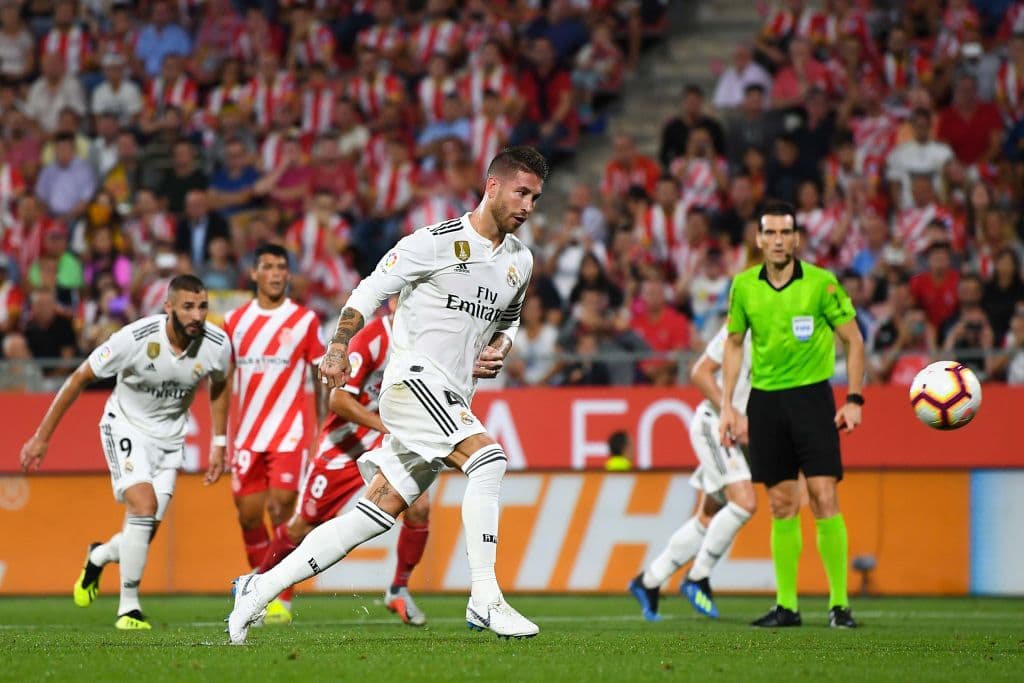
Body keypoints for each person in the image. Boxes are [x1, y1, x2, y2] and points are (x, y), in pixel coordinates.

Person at [227, 146, 548, 644]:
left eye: (535, 197)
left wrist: (501, 347)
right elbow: (369, 290)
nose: (528, 206)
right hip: (412, 383)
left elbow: (510, 321)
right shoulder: (435, 243)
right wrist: (338, 347)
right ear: (493, 187)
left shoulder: (519, 263)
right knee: (489, 461)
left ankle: (259, 587)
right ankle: (485, 598)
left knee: (370, 517)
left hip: (452, 394)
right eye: (521, 192)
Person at [18, 275, 231, 630]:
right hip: (125, 427)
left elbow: (222, 384)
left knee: (142, 533)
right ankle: (128, 607)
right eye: (188, 307)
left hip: (170, 441)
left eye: (203, 306)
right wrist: (41, 437)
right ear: (169, 308)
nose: (197, 315)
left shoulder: (216, 344)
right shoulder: (135, 339)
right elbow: (79, 378)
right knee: (143, 507)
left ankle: (99, 555)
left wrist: (219, 442)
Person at [719, 202, 864, 629]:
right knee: (782, 505)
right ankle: (787, 606)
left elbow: (854, 340)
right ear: (760, 239)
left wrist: (855, 399)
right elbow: (733, 343)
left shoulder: (822, 283)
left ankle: (840, 605)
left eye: (786, 233)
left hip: (811, 400)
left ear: (796, 238)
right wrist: (728, 404)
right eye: (771, 233)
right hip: (765, 403)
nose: (779, 240)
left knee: (823, 496)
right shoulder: (744, 286)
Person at [254, 302, 433, 626]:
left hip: (388, 442)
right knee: (302, 525)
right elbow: (338, 399)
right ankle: (262, 593)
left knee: (419, 507)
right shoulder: (371, 339)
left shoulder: (425, 338)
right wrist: (383, 425)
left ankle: (398, 588)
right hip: (345, 443)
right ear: (394, 302)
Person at [221, 244, 326, 625]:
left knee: (281, 509)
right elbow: (223, 380)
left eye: (282, 267)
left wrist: (322, 430)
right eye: (268, 267)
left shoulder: (304, 321)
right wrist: (220, 439)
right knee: (249, 516)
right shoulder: (233, 322)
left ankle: (280, 594)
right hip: (247, 435)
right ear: (254, 274)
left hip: (289, 434)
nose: (277, 273)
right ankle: (260, 589)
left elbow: (320, 375)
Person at [629, 324, 756, 621]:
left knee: (710, 515)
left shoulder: (787, 333)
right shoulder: (741, 327)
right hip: (719, 426)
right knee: (745, 502)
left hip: (746, 435)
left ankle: (648, 581)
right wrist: (733, 414)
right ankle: (698, 576)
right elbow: (700, 371)